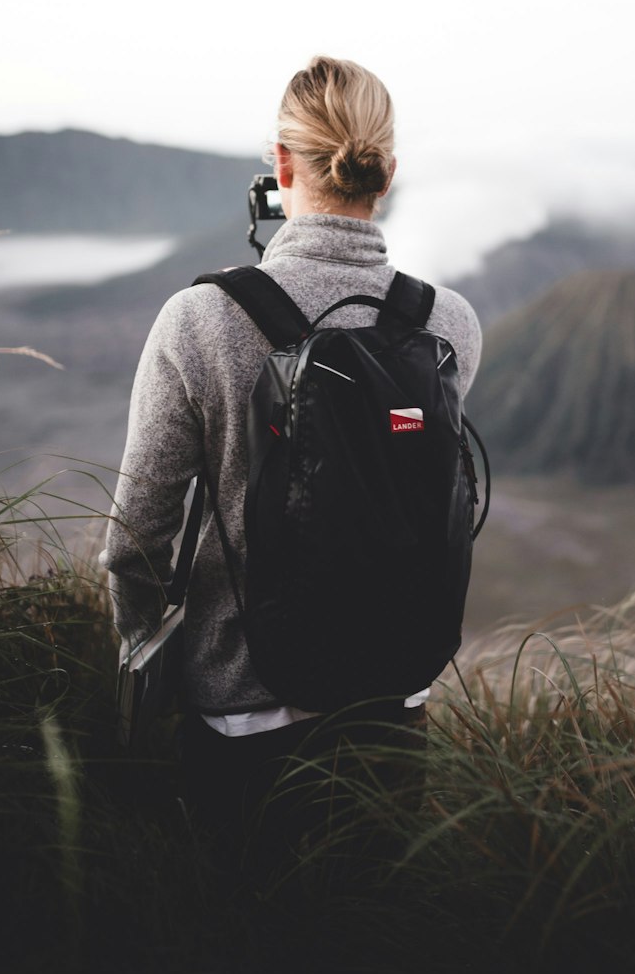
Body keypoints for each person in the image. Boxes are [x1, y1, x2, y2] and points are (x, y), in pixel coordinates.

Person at [102, 56, 482, 867]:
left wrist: (141, 660)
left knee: (242, 964)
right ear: (386, 171)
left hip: (241, 720)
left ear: (280, 167)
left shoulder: (200, 320)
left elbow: (136, 537)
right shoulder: (448, 323)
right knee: (374, 960)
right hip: (395, 705)